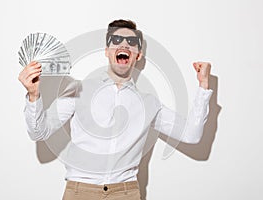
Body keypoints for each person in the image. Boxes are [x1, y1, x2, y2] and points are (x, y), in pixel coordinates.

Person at [18, 19, 212, 200]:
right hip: (80, 191)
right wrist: (33, 96)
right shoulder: (78, 89)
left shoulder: (149, 103)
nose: (124, 45)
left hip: (125, 192)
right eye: (116, 39)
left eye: (131, 41)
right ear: (107, 50)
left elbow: (191, 135)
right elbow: (38, 132)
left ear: (138, 54)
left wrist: (203, 86)